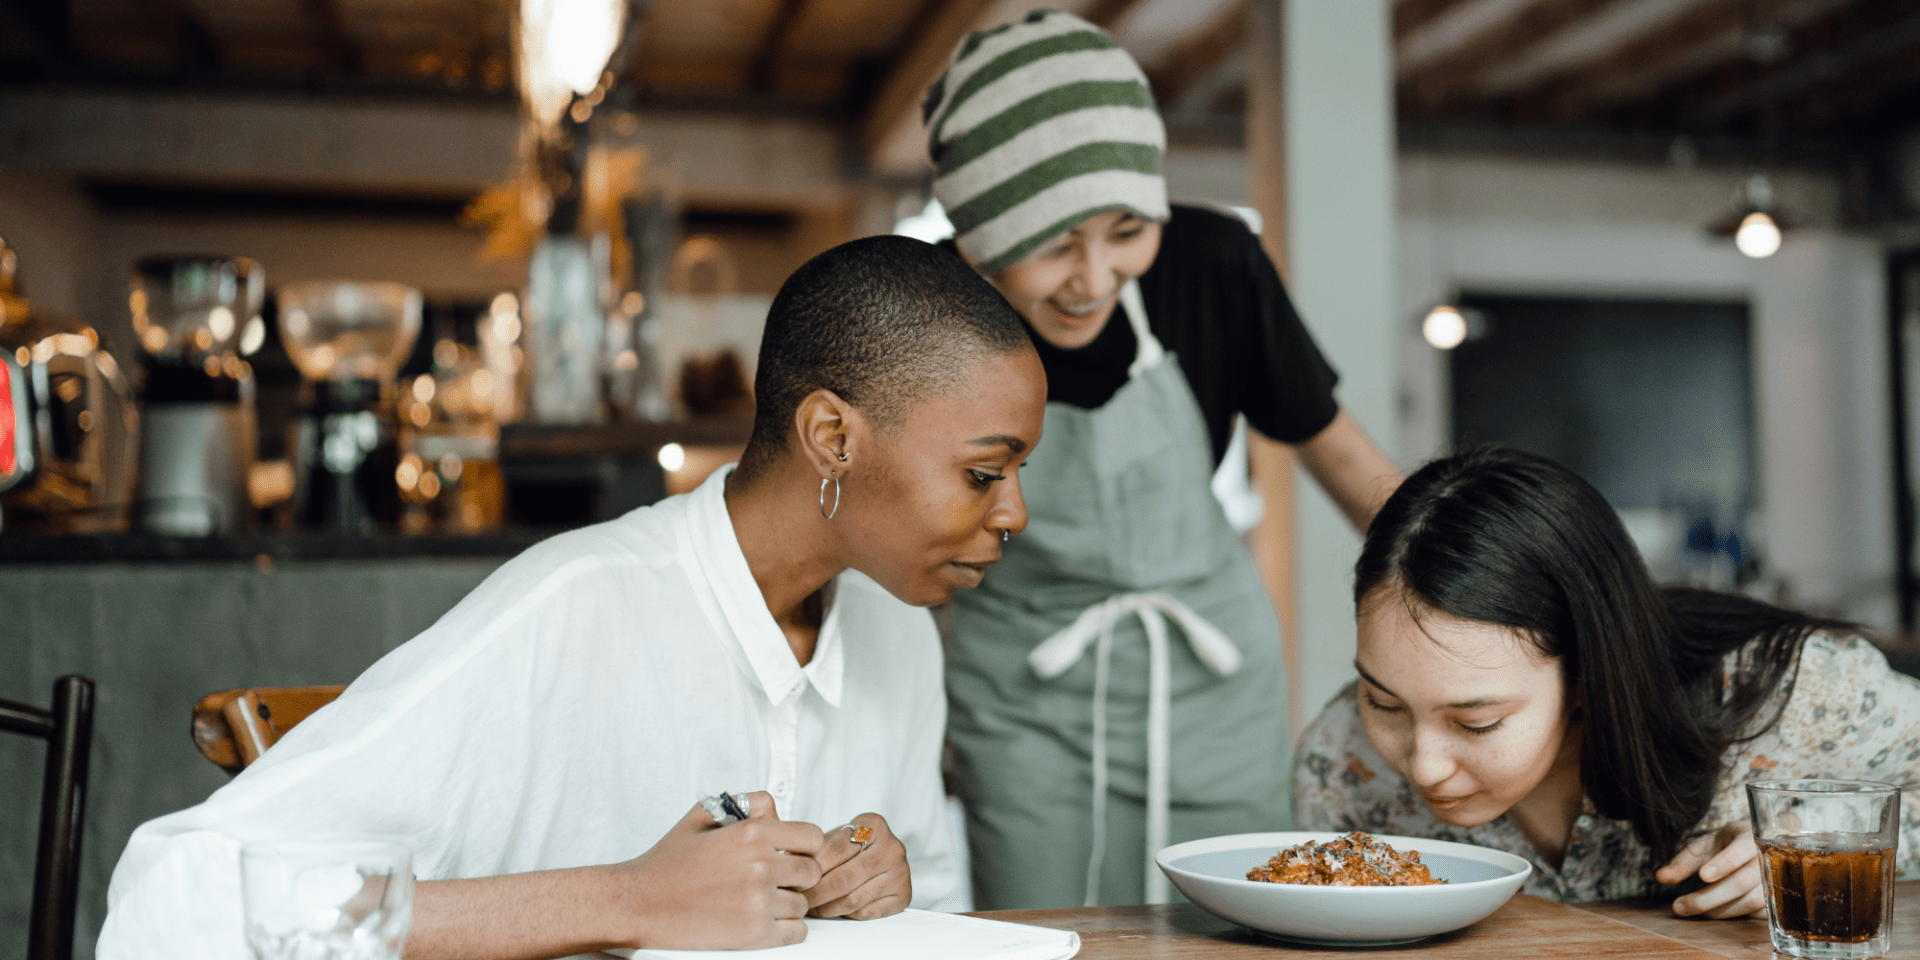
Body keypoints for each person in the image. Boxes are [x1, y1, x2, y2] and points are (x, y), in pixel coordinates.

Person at [98, 236, 1048, 960]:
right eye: (982, 474)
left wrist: (888, 890)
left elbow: (939, 905)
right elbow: (180, 902)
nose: (1017, 513)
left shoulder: (899, 627)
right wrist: (628, 899)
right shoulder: (572, 609)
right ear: (833, 437)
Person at [924, 11, 1402, 909]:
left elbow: (1342, 457)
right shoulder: (929, 308)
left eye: (1124, 229)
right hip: (1022, 693)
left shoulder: (1212, 262)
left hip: (1214, 684)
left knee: (1236, 922)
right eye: (1052, 242)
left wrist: (1493, 586)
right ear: (976, 236)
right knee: (1045, 930)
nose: (1096, 276)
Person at [1293, 446, 1920, 913]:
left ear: (1589, 674)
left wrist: (1823, 846)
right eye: (1384, 701)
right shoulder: (1343, 763)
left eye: (1475, 721)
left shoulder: (1793, 691)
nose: (1423, 766)